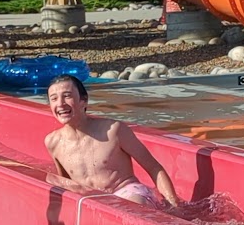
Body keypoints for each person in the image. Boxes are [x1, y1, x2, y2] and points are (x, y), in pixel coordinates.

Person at [42, 74, 180, 207]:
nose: (60, 103)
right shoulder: (53, 142)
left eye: (67, 96)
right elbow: (67, 182)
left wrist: (173, 205)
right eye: (53, 99)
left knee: (132, 209)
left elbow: (154, 168)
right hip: (94, 201)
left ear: (83, 100)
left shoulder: (114, 130)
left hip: (127, 192)